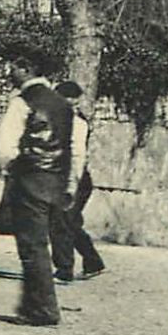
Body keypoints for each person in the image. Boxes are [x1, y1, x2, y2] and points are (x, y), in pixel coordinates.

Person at [0, 53, 73, 327]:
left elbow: (6, 146)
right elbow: (74, 149)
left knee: (32, 247)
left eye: (15, 65)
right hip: (55, 181)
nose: (10, 70)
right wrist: (70, 184)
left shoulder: (22, 102)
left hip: (30, 180)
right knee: (41, 243)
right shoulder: (63, 105)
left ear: (27, 68)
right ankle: (33, 305)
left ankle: (43, 309)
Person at [51, 80, 106, 281]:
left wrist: (71, 185)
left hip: (76, 178)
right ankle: (93, 262)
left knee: (61, 221)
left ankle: (64, 270)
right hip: (64, 176)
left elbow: (77, 156)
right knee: (70, 222)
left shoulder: (77, 124)